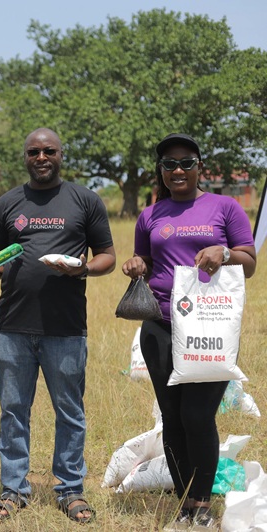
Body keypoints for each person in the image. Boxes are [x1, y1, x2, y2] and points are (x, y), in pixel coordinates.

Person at [0, 128, 116, 523]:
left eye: (48, 150)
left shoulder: (84, 201)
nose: (41, 157)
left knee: (69, 411)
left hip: (66, 327)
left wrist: (83, 268)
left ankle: (70, 489)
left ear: (61, 155)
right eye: (33, 151)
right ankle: (14, 489)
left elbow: (107, 256)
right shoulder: (7, 203)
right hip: (11, 326)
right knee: (13, 411)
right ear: (25, 156)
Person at [121, 133, 257, 531]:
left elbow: (249, 262)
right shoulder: (151, 215)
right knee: (173, 417)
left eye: (185, 162)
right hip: (160, 325)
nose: (177, 170)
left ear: (201, 166)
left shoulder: (225, 207)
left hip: (209, 325)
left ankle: (203, 502)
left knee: (198, 416)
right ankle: (185, 503)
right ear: (161, 172)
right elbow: (145, 259)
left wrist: (225, 253)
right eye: (169, 164)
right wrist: (135, 264)